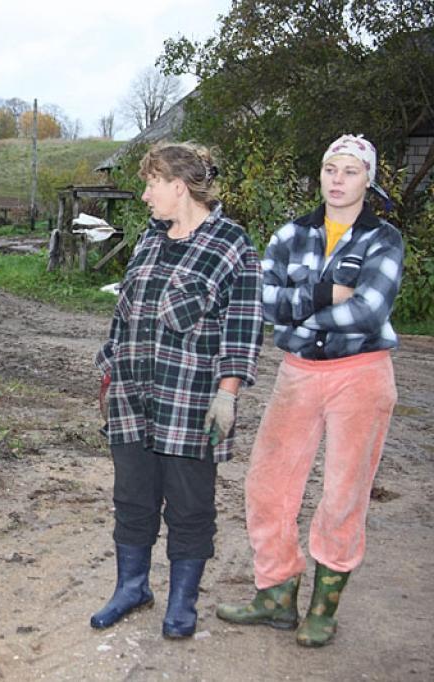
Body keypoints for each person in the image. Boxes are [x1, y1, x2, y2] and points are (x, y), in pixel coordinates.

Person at [216, 134, 403, 647]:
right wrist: (324, 293)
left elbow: (368, 311)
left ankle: (323, 608)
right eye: (329, 169)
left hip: (361, 374)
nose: (337, 180)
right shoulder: (290, 235)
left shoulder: (383, 240)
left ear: (369, 180)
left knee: (344, 491)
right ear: (319, 175)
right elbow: (260, 299)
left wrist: (296, 303)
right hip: (297, 372)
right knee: (267, 484)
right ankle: (276, 595)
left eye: (349, 171)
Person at [92, 142, 264, 639]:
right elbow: (122, 315)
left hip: (191, 401)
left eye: (152, 183)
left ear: (179, 186)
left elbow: (243, 327)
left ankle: (183, 602)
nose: (145, 194)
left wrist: (227, 394)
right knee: (133, 499)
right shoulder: (149, 241)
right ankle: (132, 587)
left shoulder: (231, 245)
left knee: (190, 507)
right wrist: (109, 368)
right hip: (132, 397)